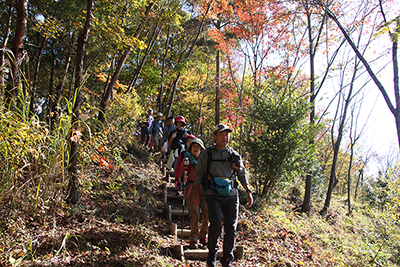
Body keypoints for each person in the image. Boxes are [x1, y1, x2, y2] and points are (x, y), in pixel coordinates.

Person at [193, 124, 253, 267]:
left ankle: (227, 260)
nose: (225, 137)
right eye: (221, 134)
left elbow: (242, 174)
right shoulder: (207, 153)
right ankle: (212, 257)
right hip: (212, 195)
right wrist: (196, 194)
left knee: (231, 228)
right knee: (216, 225)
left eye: (227, 134)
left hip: (232, 195)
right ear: (215, 136)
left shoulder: (234, 155)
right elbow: (199, 174)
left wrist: (248, 191)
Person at [179, 138, 208, 249]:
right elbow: (181, 174)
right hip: (191, 187)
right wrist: (183, 179)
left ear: (201, 149)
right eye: (194, 147)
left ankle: (204, 235)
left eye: (198, 147)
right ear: (190, 149)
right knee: (195, 213)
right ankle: (194, 238)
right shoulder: (186, 160)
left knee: (207, 212)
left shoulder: (205, 161)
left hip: (204, 188)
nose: (196, 149)